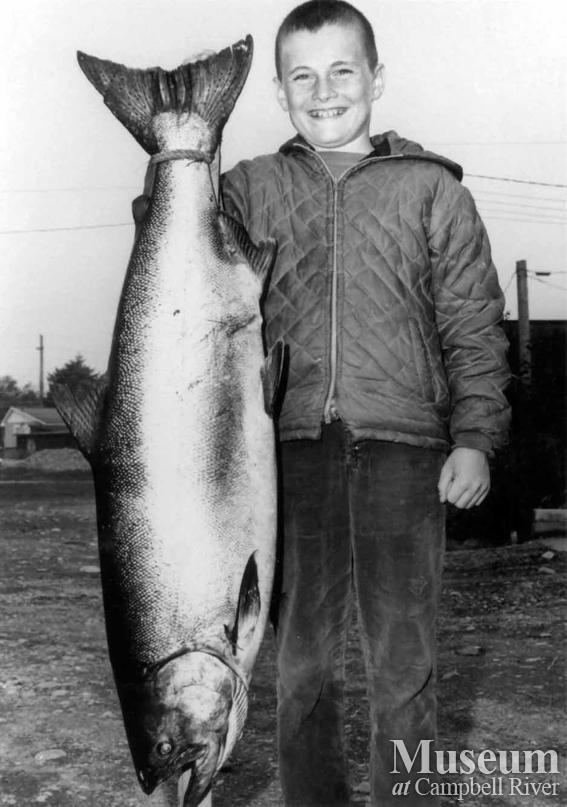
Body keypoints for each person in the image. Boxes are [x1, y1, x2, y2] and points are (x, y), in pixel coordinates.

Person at [134, 2, 511, 804]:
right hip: (286, 454)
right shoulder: (250, 188)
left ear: (377, 78)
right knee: (301, 663)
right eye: (301, 76)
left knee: (404, 662)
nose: (323, 91)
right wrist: (177, 161)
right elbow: (167, 249)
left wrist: (474, 436)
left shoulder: (432, 190)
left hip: (406, 451)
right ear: (277, 91)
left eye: (342, 70)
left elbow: (473, 324)